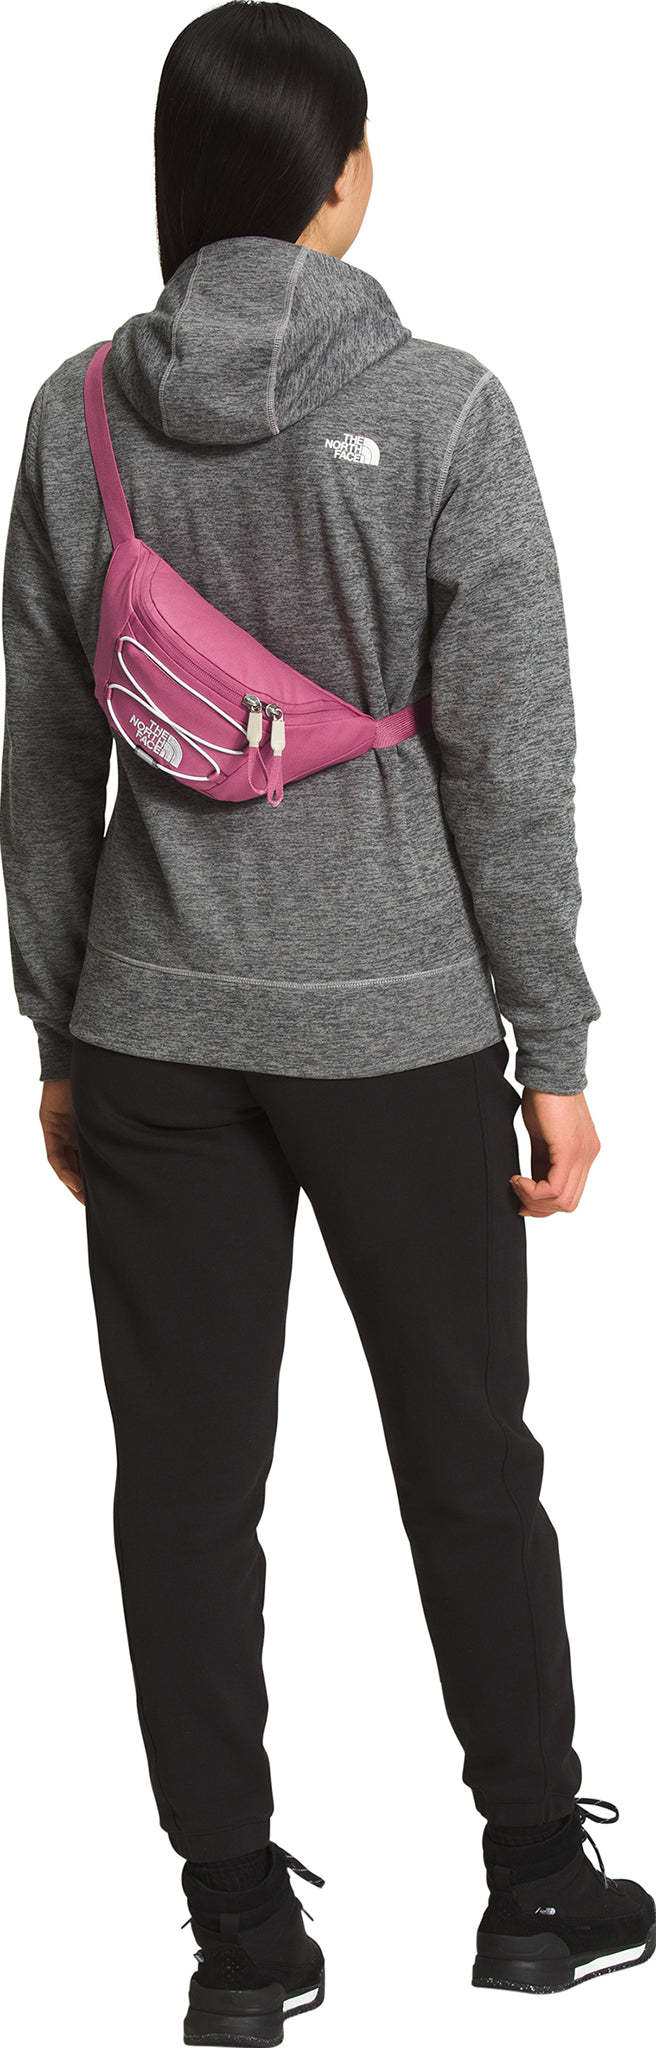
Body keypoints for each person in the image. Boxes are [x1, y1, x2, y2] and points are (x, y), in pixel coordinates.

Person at [1, 3, 653, 2037]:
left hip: (154, 1027)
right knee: (467, 1454)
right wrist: (552, 1047)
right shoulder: (446, 408)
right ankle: (535, 1886)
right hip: (396, 1028)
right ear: (343, 179)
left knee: (183, 1493)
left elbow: (42, 758)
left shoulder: (75, 419)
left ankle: (238, 1935)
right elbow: (513, 758)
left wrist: (59, 1027)